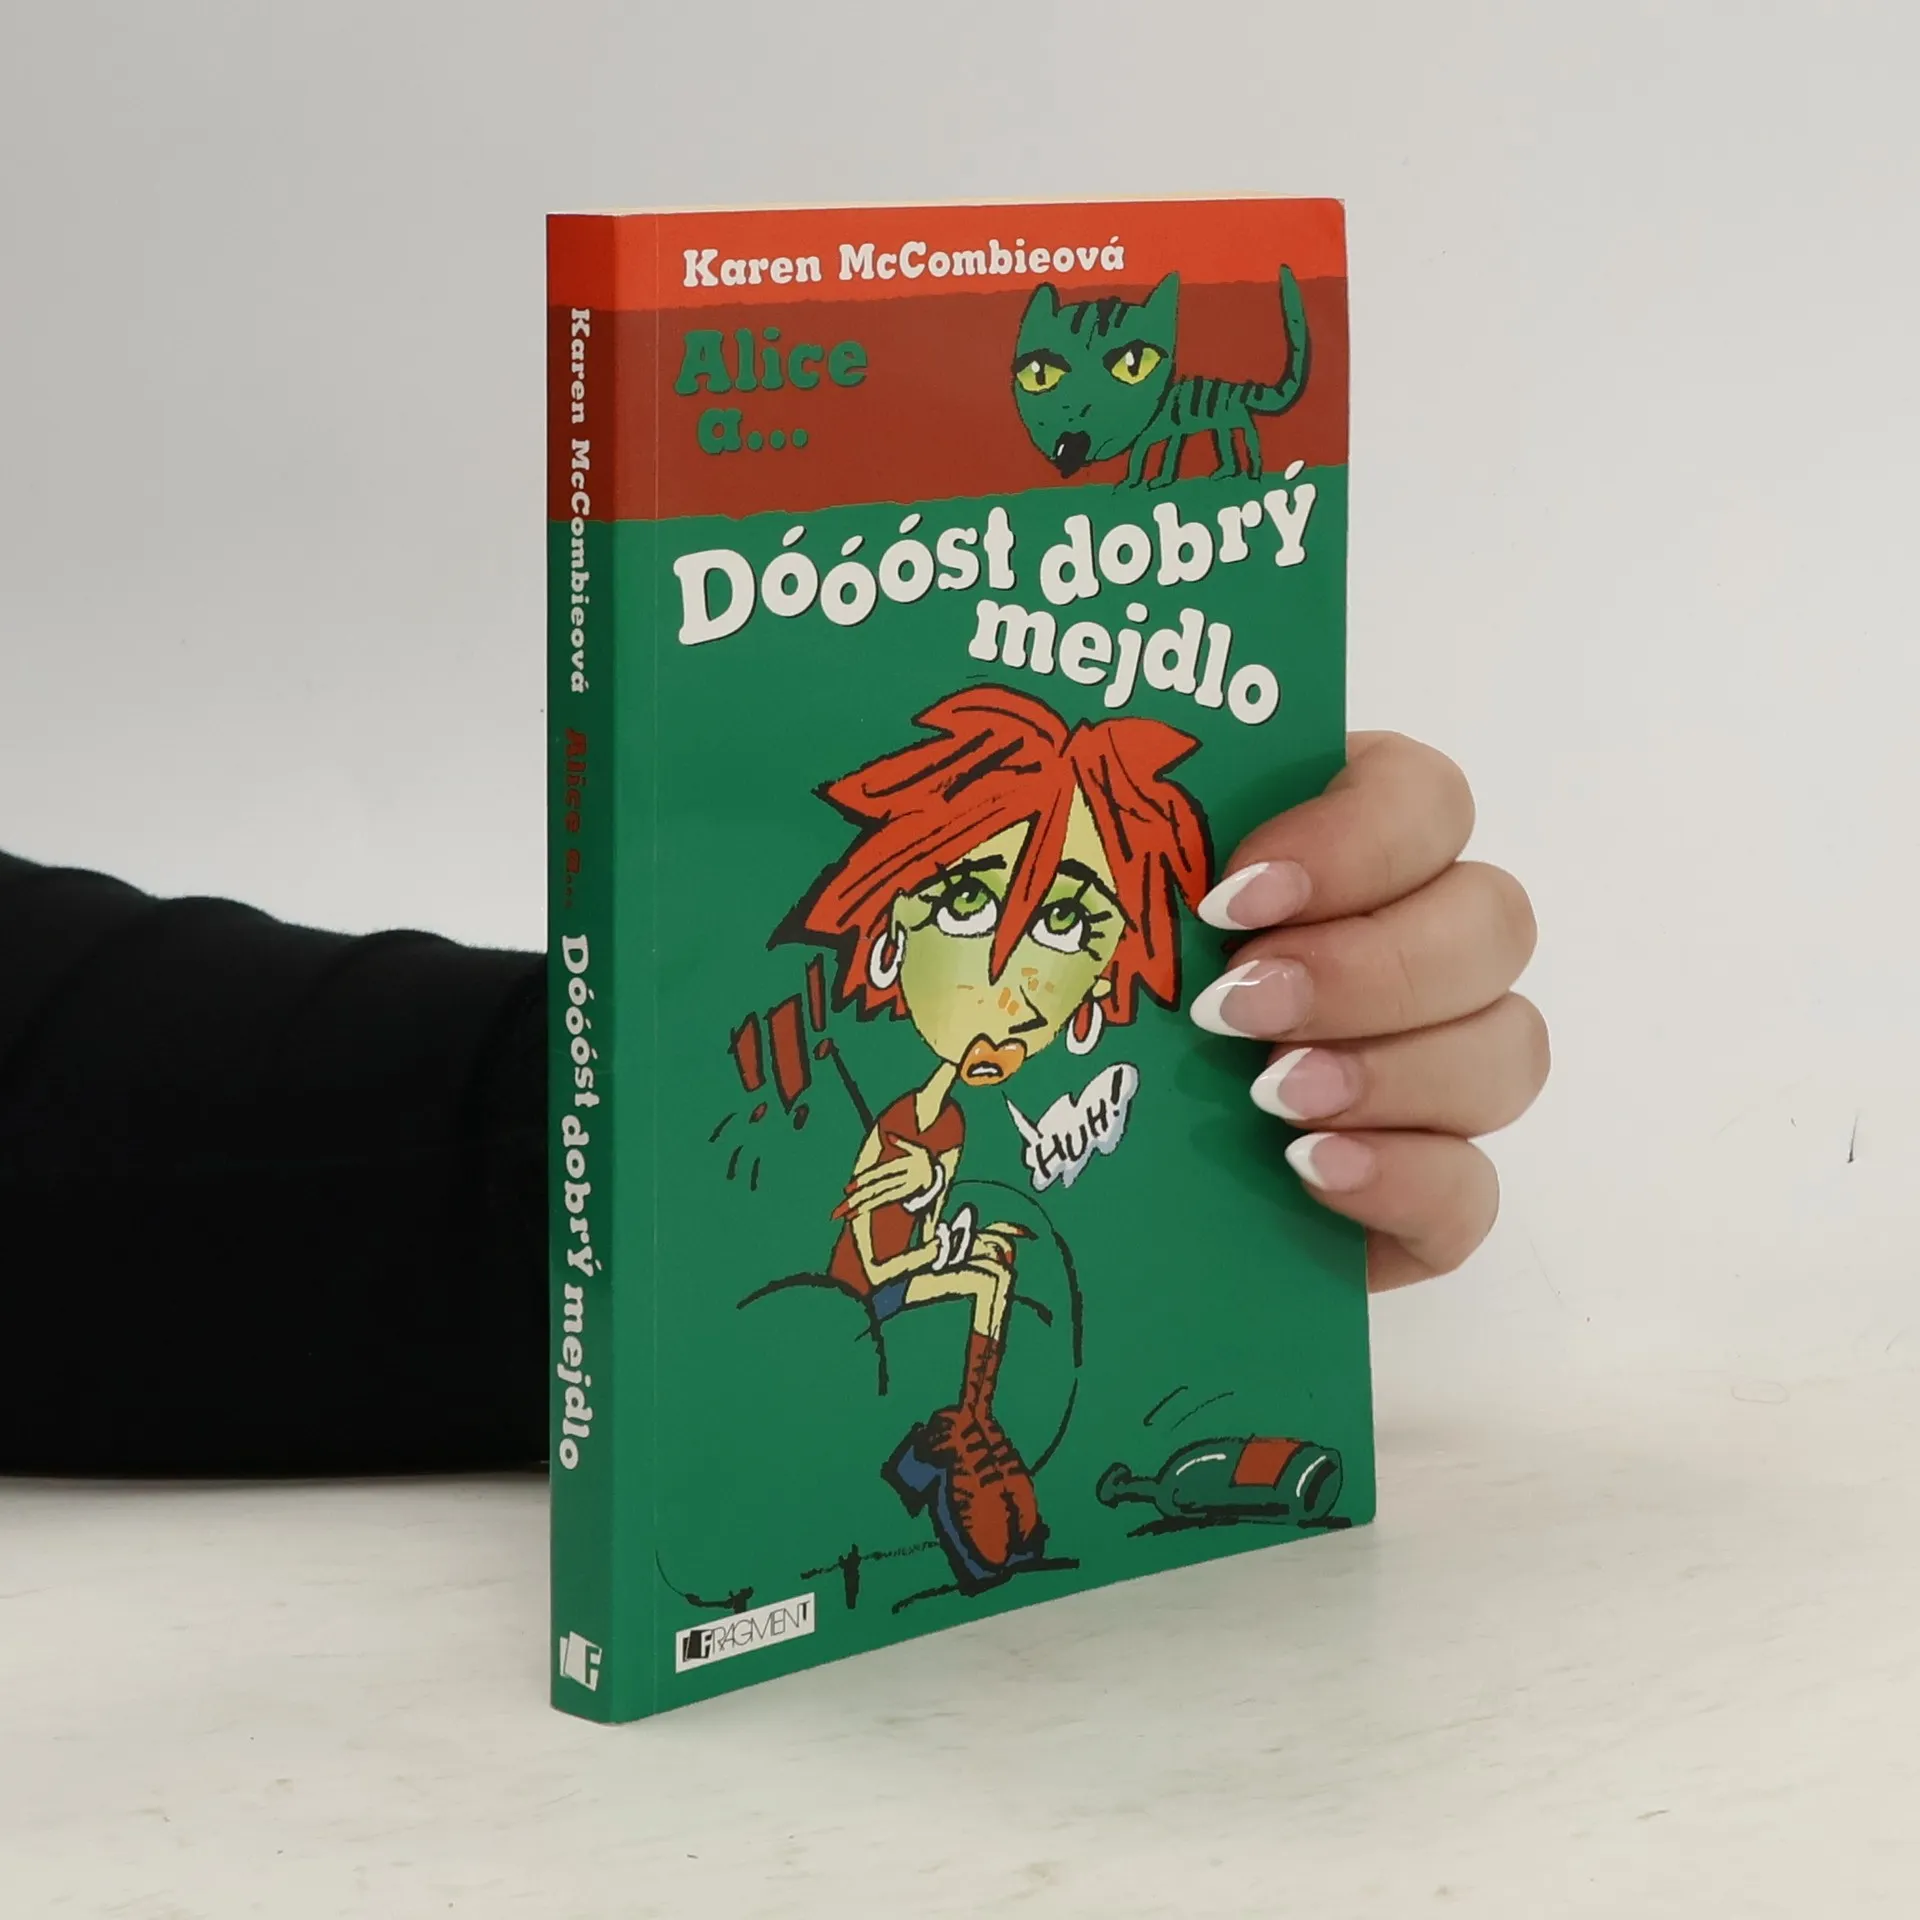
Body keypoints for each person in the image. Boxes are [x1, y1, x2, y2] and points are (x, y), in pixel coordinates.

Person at [0, 730, 1544, 1478]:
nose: (1016, 971)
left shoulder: (904, 1097)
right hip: (851, 1282)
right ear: (884, 923)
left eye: (1074, 923)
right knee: (990, 1272)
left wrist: (1187, 1148)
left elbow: (82, 1080)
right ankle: (963, 1430)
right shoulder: (872, 1092)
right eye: (973, 906)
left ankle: (970, 1429)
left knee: (1004, 1267)